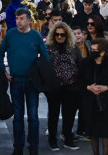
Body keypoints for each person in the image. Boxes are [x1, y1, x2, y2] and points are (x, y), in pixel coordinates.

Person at [0, 7, 49, 155]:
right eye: (17, 18)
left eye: (21, 18)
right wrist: (4, 71)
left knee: (33, 116)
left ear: (28, 20)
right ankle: (18, 146)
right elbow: (0, 53)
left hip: (32, 82)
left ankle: (33, 147)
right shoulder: (11, 34)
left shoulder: (36, 35)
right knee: (18, 116)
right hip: (15, 80)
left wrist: (41, 76)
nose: (18, 21)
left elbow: (45, 57)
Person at [78, 38, 108, 155]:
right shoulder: (86, 62)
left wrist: (107, 87)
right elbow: (79, 81)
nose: (93, 52)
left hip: (107, 102)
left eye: (96, 50)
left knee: (107, 131)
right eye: (92, 50)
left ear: (103, 51)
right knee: (93, 131)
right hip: (91, 102)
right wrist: (89, 87)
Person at [44, 21, 81, 151]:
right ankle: (52, 140)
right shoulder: (47, 48)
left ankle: (68, 138)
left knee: (69, 114)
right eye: (57, 35)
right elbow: (43, 67)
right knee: (53, 114)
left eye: (63, 35)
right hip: (54, 86)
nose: (60, 37)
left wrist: (78, 83)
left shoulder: (74, 48)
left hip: (71, 86)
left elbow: (80, 64)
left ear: (67, 35)